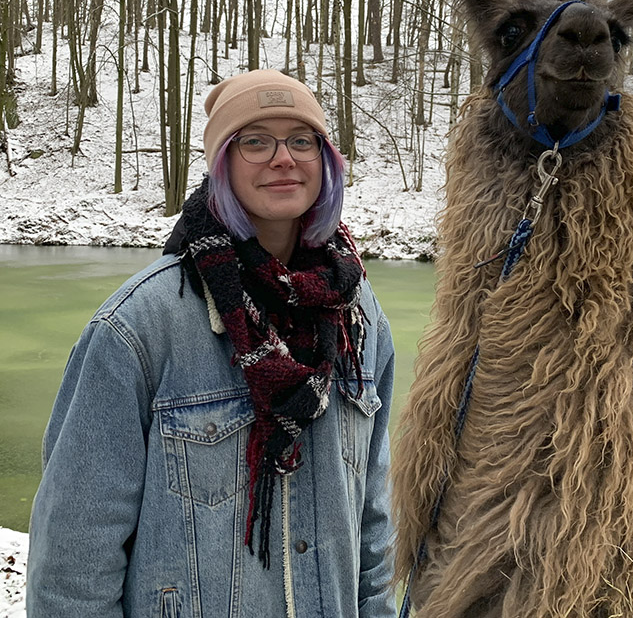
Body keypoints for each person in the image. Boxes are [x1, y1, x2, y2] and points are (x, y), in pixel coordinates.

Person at [27, 70, 396, 618]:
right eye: (255, 141)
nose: (284, 159)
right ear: (221, 163)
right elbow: (74, 559)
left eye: (302, 140)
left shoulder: (356, 315)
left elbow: (373, 517)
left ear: (326, 161)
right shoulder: (139, 327)